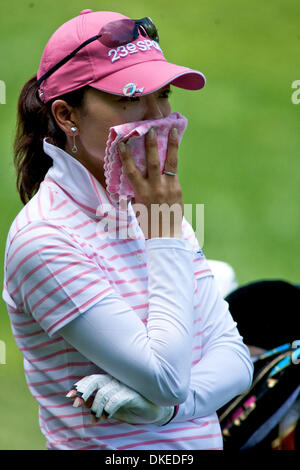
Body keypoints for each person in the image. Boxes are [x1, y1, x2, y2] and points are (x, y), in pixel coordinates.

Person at [2, 10, 253, 450]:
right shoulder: (44, 239)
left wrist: (169, 409)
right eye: (131, 98)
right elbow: (167, 376)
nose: (157, 117)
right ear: (66, 115)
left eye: (165, 94)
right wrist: (165, 232)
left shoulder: (153, 206)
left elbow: (235, 362)